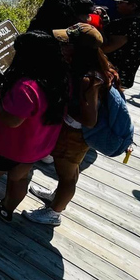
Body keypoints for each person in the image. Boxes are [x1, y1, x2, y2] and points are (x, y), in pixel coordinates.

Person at [0, 32, 69, 225]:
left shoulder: (26, 87)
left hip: (6, 148)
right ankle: (6, 210)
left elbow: (12, 121)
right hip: (33, 149)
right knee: (19, 180)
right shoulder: (57, 80)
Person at [24, 24, 118, 225]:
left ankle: (54, 213)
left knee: (66, 175)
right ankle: (57, 197)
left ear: (78, 49)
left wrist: (62, 104)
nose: (63, 46)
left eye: (67, 43)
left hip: (74, 134)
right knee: (71, 170)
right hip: (75, 134)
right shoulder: (97, 66)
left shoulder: (88, 79)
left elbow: (90, 119)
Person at [103, 0, 140, 88]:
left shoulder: (123, 25)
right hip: (127, 72)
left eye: (121, 2)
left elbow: (109, 48)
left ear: (133, 6)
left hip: (114, 73)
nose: (117, 3)